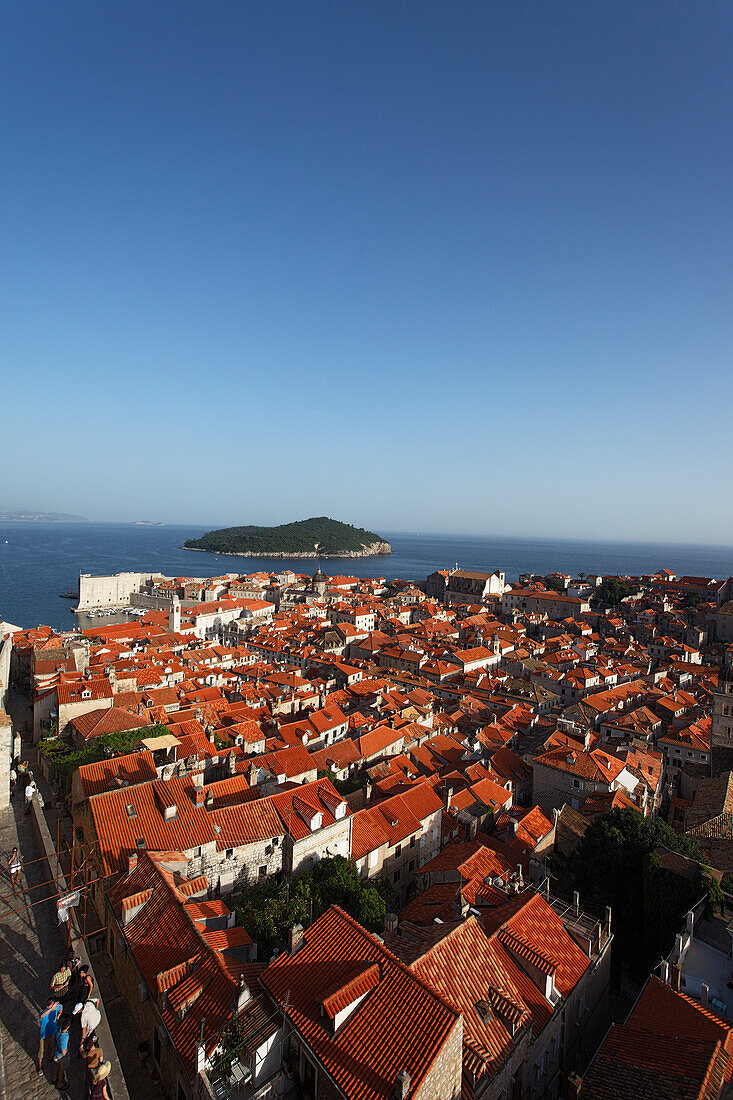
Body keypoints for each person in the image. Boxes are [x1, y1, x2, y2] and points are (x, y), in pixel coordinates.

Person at [37, 998, 61, 1073]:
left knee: (50, 1046)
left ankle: (49, 1057)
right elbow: (41, 1016)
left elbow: (60, 1007)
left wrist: (58, 1017)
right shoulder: (44, 1013)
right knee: (41, 1051)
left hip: (52, 1032)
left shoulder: (55, 1009)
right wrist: (51, 1010)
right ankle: (40, 1066)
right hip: (44, 1035)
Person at [52, 1014, 71, 1090]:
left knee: (58, 1065)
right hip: (62, 1055)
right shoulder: (64, 1038)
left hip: (56, 1051)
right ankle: (60, 1083)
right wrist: (68, 1048)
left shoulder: (58, 1029)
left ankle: (54, 1077)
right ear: (68, 1027)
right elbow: (63, 1052)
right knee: (62, 1069)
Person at [81, 1034, 103, 1100]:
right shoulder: (99, 1050)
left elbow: (81, 1053)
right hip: (96, 1068)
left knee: (87, 1086)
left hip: (89, 1070)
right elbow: (101, 1060)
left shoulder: (86, 1054)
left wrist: (81, 1046)